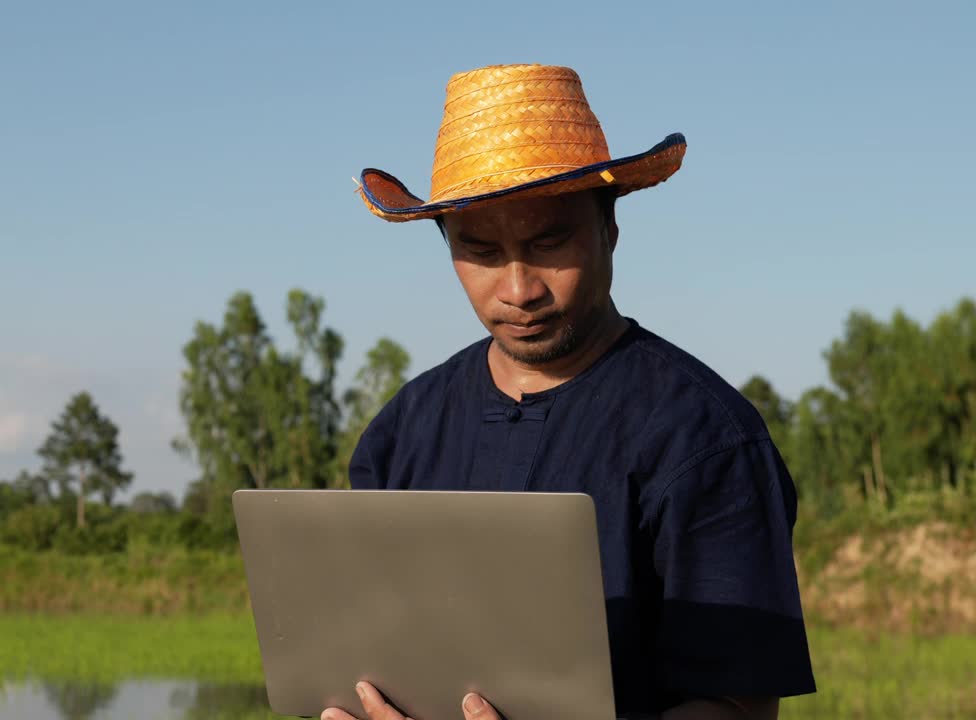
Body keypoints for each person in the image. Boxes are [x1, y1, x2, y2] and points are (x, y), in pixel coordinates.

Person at [325, 64, 816, 720]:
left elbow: (737, 704)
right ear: (447, 248)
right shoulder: (405, 430)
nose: (520, 288)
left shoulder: (705, 436)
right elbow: (365, 660)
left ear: (609, 230)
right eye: (481, 250)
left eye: (549, 242)